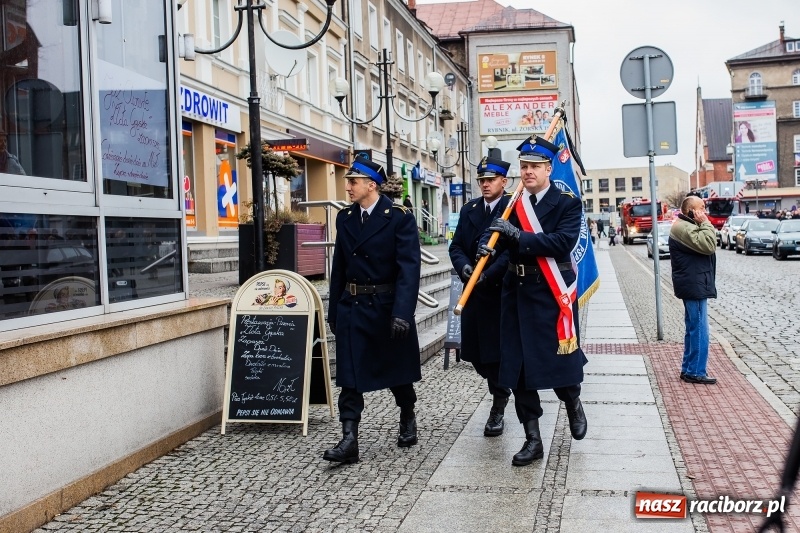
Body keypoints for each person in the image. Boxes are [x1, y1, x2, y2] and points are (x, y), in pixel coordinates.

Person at [478, 135, 588, 467]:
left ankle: (572, 402)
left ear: (548, 168)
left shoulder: (567, 202)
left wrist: (518, 237)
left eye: (534, 167)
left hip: (551, 293)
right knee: (519, 368)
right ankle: (532, 438)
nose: (527, 172)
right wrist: (487, 245)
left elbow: (561, 243)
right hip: (516, 290)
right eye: (524, 166)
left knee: (558, 360)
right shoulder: (513, 202)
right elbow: (494, 231)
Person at [324, 157, 422, 464]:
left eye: (353, 182)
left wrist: (403, 312)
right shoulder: (345, 218)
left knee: (397, 371)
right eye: (347, 181)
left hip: (386, 305)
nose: (348, 187)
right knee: (349, 375)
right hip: (353, 305)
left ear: (371, 185)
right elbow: (339, 264)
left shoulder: (398, 217)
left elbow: (409, 268)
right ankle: (349, 439)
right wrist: (334, 309)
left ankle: (407, 413)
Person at [448, 157, 512, 437]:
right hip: (472, 291)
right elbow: (456, 245)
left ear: (503, 182)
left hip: (500, 292)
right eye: (482, 180)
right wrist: (464, 268)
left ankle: (498, 404)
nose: (485, 185)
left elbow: (512, 251)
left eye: (491, 180)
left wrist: (489, 274)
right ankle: (500, 387)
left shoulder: (513, 208)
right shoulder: (469, 209)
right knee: (474, 354)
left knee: (496, 353)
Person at [668, 195, 717, 385]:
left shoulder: (686, 226)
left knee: (693, 328)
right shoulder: (684, 228)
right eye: (701, 208)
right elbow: (709, 246)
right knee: (699, 329)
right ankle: (696, 371)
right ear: (690, 211)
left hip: (694, 283)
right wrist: (706, 224)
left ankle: (689, 368)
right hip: (694, 285)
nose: (704, 212)